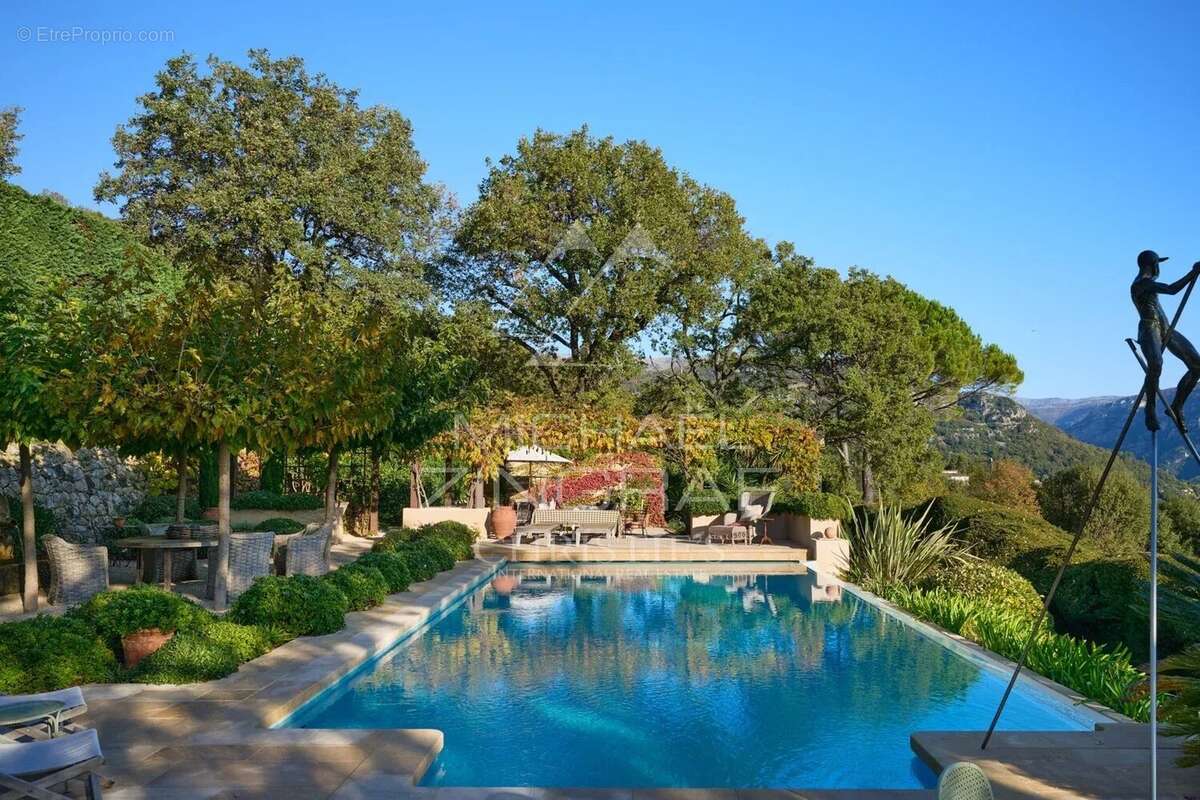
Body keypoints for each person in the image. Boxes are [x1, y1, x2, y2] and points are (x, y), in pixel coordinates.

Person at [1131, 250, 1200, 431]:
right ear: (1152, 265)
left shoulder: (1148, 284)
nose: (1158, 268)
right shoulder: (1140, 284)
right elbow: (1172, 289)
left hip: (1165, 328)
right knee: (1156, 364)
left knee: (1197, 366)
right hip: (1149, 329)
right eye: (1157, 264)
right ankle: (1150, 410)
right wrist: (1193, 273)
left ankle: (1177, 406)